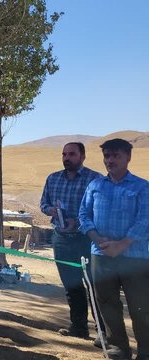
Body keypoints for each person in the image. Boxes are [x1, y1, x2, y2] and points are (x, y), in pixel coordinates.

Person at [79, 138, 149, 360]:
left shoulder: (142, 187)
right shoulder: (95, 185)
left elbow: (145, 220)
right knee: (107, 303)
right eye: (107, 156)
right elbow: (84, 215)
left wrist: (122, 244)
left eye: (115, 155)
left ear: (128, 157)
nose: (110, 160)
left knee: (140, 306)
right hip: (101, 254)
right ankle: (118, 348)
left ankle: (146, 350)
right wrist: (97, 238)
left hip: (135, 257)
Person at [40, 142, 103, 341]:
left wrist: (77, 222)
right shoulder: (53, 179)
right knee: (71, 286)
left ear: (82, 156)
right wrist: (50, 210)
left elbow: (100, 210)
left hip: (85, 240)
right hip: (61, 239)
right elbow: (43, 203)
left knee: (95, 286)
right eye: (64, 154)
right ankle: (79, 327)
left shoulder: (95, 180)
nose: (67, 157)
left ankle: (104, 332)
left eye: (72, 154)